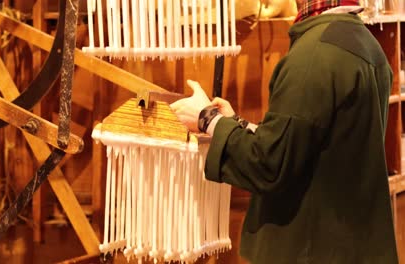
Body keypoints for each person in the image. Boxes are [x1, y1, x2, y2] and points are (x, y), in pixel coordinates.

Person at [170, 0, 399, 262]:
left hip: (311, 250)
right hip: (345, 245)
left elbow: (269, 164)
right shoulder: (365, 43)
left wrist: (206, 118)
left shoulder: (315, 53)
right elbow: (312, 143)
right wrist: (235, 123)